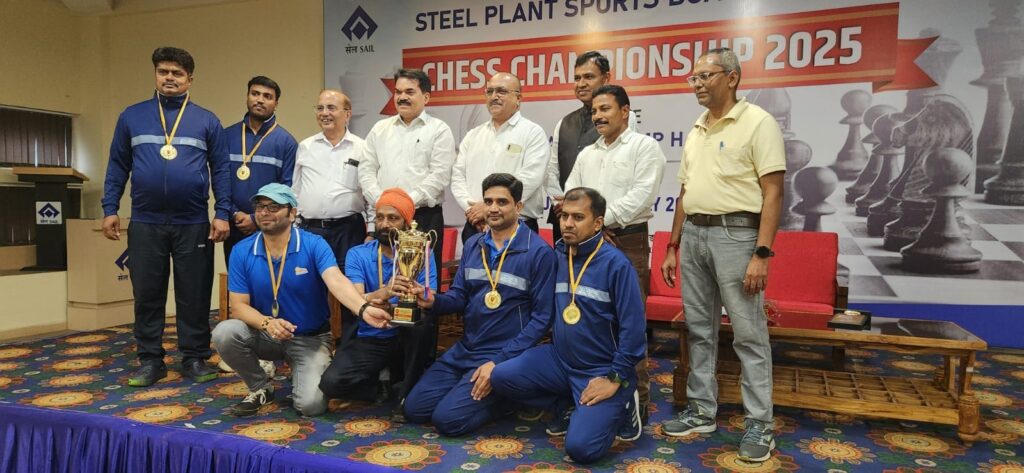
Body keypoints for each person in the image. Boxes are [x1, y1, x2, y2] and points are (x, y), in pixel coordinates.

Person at [660, 47, 786, 463]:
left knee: (749, 334)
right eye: (693, 78)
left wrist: (761, 253)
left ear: (732, 78)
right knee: (699, 329)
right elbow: (684, 192)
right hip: (694, 233)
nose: (696, 84)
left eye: (705, 76)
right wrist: (673, 245)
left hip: (737, 234)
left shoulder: (758, 122)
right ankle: (701, 410)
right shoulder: (697, 128)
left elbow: (773, 193)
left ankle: (760, 424)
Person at [101, 46, 229, 387]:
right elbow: (117, 165)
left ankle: (194, 357)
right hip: (146, 221)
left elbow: (221, 170)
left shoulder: (207, 120)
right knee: (147, 293)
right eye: (163, 71)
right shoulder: (132, 116)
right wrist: (110, 208)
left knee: (194, 293)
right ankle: (150, 360)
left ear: (190, 79)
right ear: (155, 74)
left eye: (177, 73)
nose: (169, 78)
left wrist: (222, 213)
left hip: (193, 222)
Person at [491, 187, 646, 464]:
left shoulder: (616, 265)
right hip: (560, 361)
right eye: (564, 216)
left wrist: (615, 378)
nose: (568, 224)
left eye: (578, 217)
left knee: (581, 449)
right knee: (500, 375)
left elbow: (634, 332)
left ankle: (625, 400)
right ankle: (566, 402)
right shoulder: (559, 255)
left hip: (601, 369)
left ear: (598, 223)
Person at [212, 183, 391, 417]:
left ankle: (308, 367)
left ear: (292, 213)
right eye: (260, 206)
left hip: (309, 338)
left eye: (274, 207)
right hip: (265, 333)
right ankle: (260, 387)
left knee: (311, 406)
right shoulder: (242, 250)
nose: (265, 212)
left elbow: (336, 281)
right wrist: (268, 323)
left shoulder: (313, 244)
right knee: (225, 332)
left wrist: (364, 309)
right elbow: (238, 307)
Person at [401, 173, 555, 436]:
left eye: (502, 202)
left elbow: (542, 318)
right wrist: (432, 301)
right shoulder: (473, 245)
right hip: (467, 348)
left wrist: (500, 362)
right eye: (488, 201)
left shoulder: (539, 252)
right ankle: (476, 390)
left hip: (504, 355)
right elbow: (459, 296)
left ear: (518, 206)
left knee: (447, 421)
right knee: (414, 410)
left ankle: (509, 396)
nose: (493, 208)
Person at [564, 84, 664, 421]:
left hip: (627, 240)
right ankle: (584, 392)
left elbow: (642, 195)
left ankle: (637, 400)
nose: (598, 116)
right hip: (587, 245)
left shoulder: (644, 147)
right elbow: (571, 193)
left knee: (628, 322)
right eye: (594, 111)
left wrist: (600, 222)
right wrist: (592, 227)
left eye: (605, 109)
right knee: (588, 319)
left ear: (625, 111)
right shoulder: (587, 154)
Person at [318, 188, 438, 406]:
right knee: (330, 384)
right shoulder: (358, 254)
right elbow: (355, 299)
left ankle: (403, 391)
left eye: (393, 218)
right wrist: (381, 293)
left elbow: (431, 298)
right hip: (372, 335)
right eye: (379, 217)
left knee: (423, 325)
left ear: (407, 223)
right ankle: (381, 387)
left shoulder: (422, 252)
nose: (384, 224)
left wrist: (413, 295)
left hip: (406, 335)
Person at [359, 68, 456, 273]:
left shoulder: (439, 129)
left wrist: (403, 205)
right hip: (386, 218)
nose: (402, 97)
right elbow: (366, 171)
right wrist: (384, 204)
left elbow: (439, 176)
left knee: (422, 280)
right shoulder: (379, 129)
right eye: (398, 92)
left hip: (423, 218)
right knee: (384, 276)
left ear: (426, 97)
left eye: (409, 92)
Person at [545, 51, 637, 242]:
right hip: (564, 220)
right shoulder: (564, 122)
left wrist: (600, 221)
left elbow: (621, 175)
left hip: (604, 226)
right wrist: (564, 204)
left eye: (588, 77)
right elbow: (552, 171)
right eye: (577, 78)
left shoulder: (624, 119)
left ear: (606, 78)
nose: (581, 83)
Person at [451, 72, 548, 242]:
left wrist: (487, 207)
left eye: (501, 91)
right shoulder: (473, 135)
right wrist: (474, 210)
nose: (494, 96)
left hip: (517, 225)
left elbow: (531, 177)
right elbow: (458, 177)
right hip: (476, 224)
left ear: (518, 98)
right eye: (490, 91)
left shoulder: (533, 133)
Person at [223, 76, 298, 264]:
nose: (260, 100)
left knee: (271, 278)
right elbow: (220, 181)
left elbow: (287, 188)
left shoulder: (286, 142)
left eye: (267, 96)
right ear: (247, 96)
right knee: (237, 278)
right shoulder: (227, 136)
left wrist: (255, 218)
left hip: (271, 228)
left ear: (276, 103)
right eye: (255, 94)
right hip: (235, 225)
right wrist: (234, 213)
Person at [293, 89, 367, 271]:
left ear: (347, 114)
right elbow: (296, 190)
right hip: (311, 230)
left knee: (348, 281)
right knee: (310, 281)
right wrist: (293, 226)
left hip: (348, 231)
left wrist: (372, 231)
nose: (324, 113)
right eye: (320, 108)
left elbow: (369, 192)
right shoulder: (305, 146)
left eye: (331, 108)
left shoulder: (362, 148)